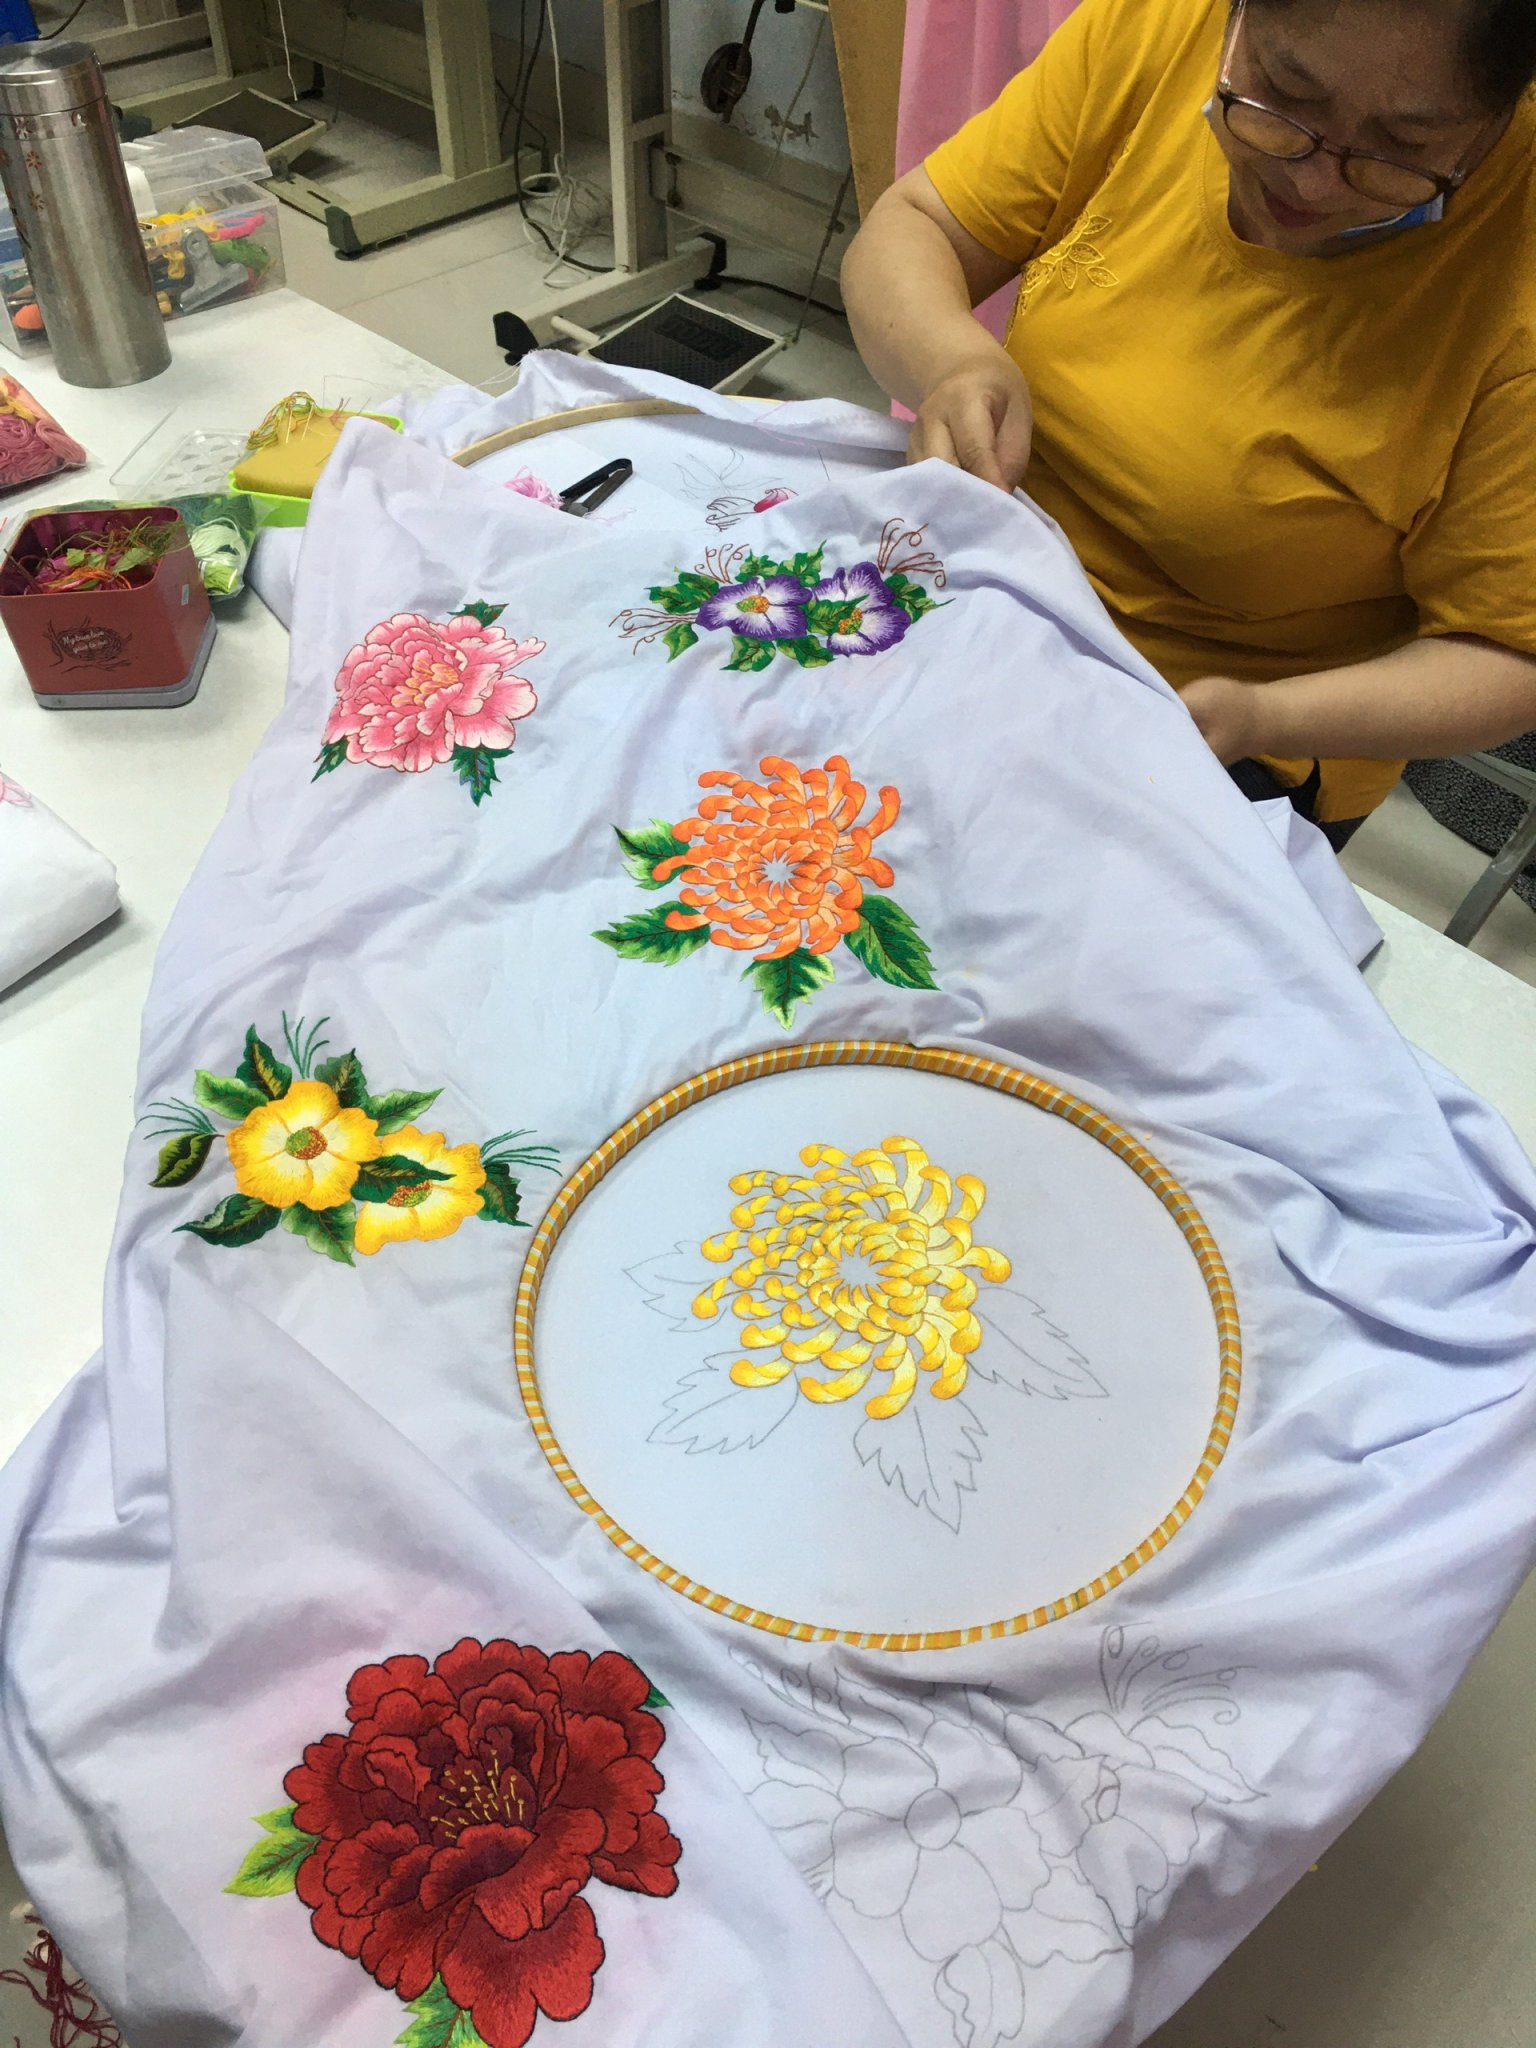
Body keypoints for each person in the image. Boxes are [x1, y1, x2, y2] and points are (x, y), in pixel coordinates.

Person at [842, 0, 1536, 845]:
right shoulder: (1163, 26)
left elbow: (1509, 654)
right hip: (986, 591)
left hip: (1228, 730)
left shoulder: (1515, 277)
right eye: (1286, 95)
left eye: (1401, 147)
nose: (1312, 182)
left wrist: (1265, 715)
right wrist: (952, 361)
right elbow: (918, 227)